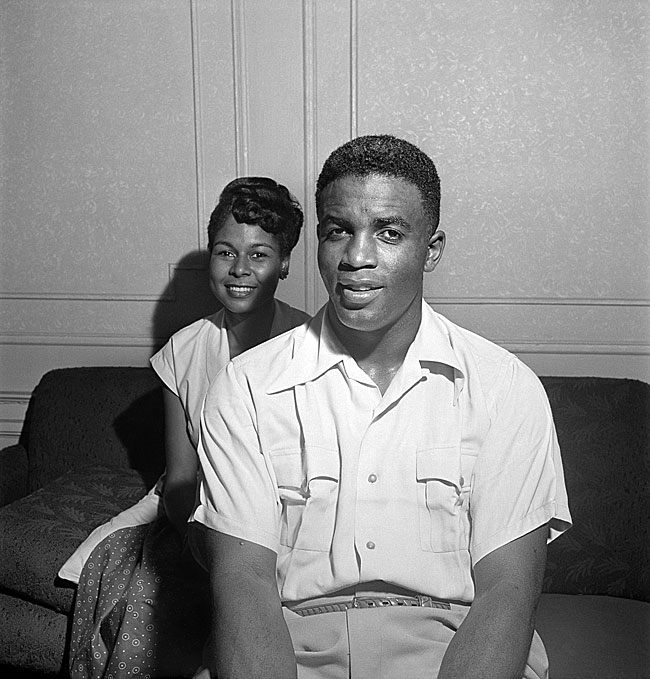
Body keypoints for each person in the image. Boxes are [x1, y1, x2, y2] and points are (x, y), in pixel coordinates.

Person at [189, 135, 572, 679]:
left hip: (451, 653)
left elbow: (508, 592)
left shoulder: (505, 387)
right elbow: (243, 584)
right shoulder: (246, 386)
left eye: (388, 232)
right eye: (338, 230)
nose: (357, 257)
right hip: (289, 652)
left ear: (431, 250)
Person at [62, 177, 310, 678]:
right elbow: (179, 479)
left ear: (284, 264)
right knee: (149, 596)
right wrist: (206, 547)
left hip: (299, 517)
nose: (239, 269)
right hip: (205, 514)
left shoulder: (313, 343)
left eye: (259, 255)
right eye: (225, 252)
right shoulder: (184, 350)